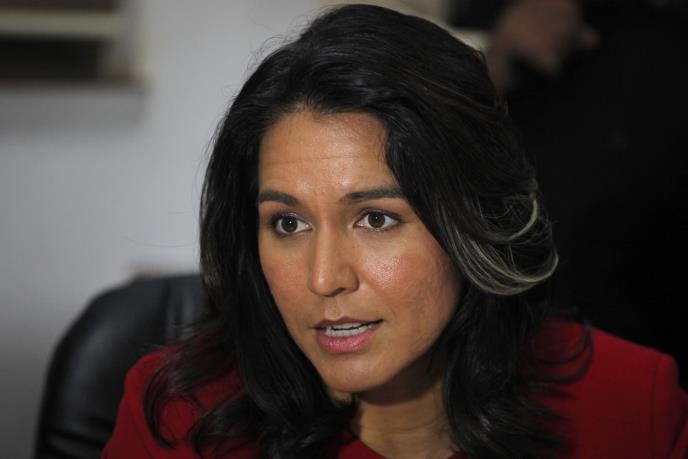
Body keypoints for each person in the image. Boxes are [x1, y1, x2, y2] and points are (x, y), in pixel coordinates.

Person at [102, 4, 687, 458]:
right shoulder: (182, 416)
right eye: (288, 222)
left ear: (475, 219)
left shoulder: (632, 404)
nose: (324, 279)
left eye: (376, 219)